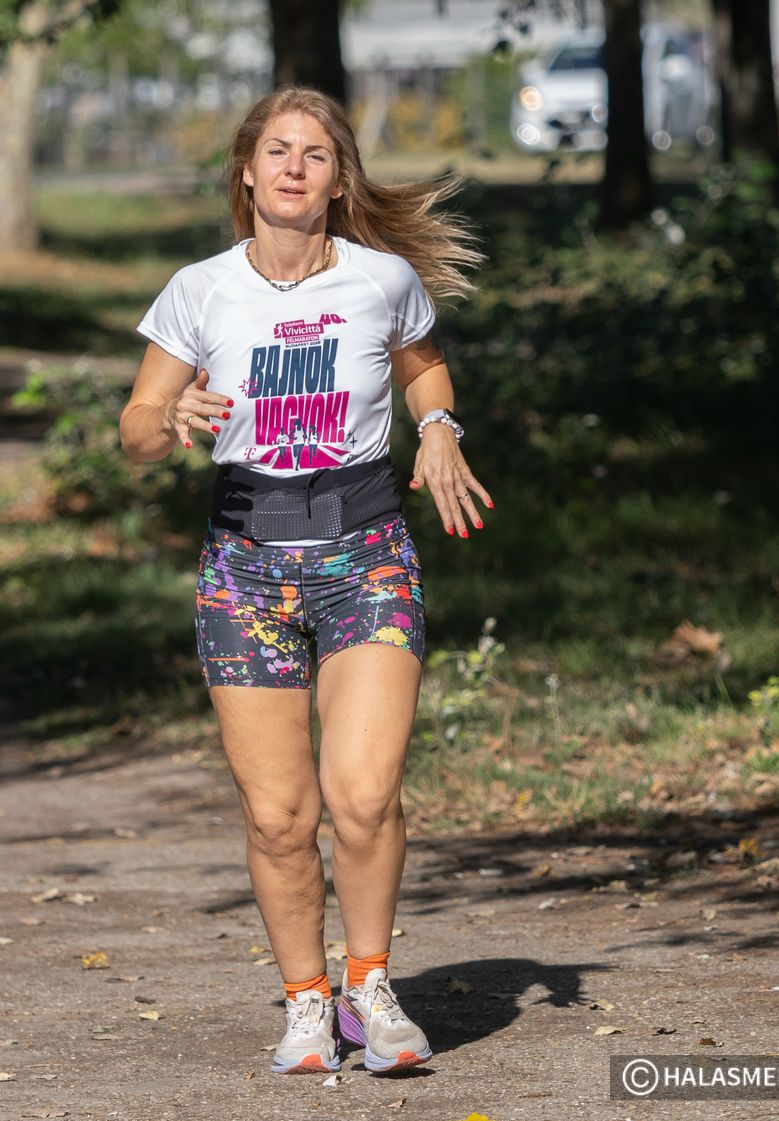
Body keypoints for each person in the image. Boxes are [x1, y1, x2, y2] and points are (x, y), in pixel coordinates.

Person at [119, 86, 492, 1075]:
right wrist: (170, 417)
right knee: (280, 816)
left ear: (337, 180)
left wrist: (439, 427)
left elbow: (423, 367)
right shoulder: (200, 290)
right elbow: (136, 429)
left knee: (363, 795)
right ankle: (307, 1001)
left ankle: (371, 986)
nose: (293, 167)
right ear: (247, 173)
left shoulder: (382, 279)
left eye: (314, 154)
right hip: (245, 568)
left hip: (365, 551)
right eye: (277, 151)